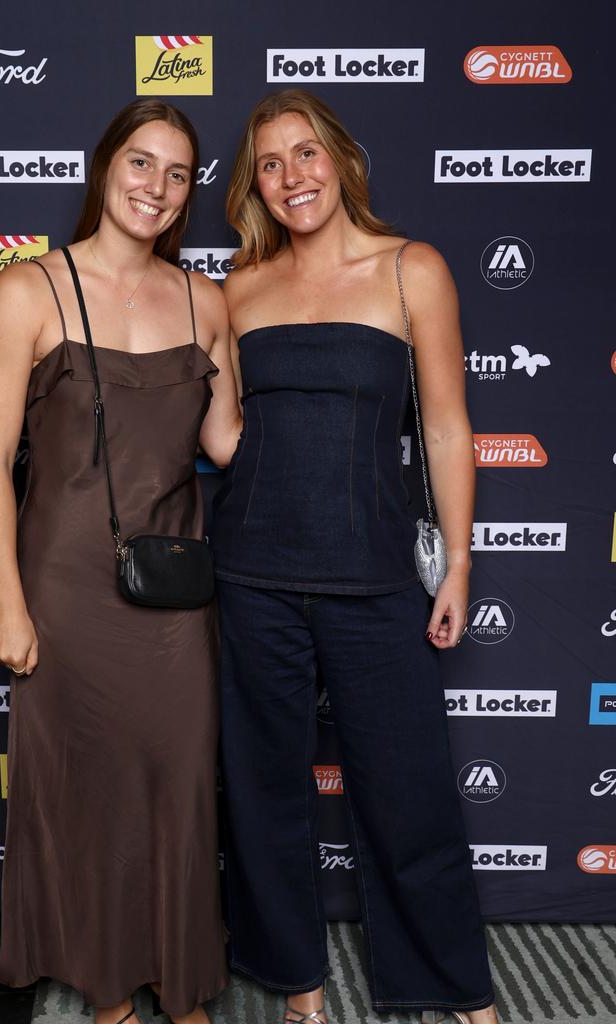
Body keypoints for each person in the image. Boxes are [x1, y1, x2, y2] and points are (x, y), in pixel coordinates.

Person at [212, 89, 499, 1024]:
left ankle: (454, 988)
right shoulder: (239, 288)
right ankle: (297, 985)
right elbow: (225, 434)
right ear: (254, 185)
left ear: (341, 160)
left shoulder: (412, 269)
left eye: (306, 154)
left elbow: (449, 430)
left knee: (410, 794)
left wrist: (455, 564)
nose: (292, 177)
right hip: (251, 573)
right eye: (269, 163)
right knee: (263, 793)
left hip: (375, 578)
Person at [0, 99, 240, 1024]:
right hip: (64, 588)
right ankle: (109, 985)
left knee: (175, 783)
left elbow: (231, 442)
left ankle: (178, 972)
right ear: (104, 169)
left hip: (174, 589)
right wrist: (8, 604)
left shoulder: (209, 300)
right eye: (140, 163)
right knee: (87, 792)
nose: (156, 188)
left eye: (177, 174)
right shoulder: (27, 291)